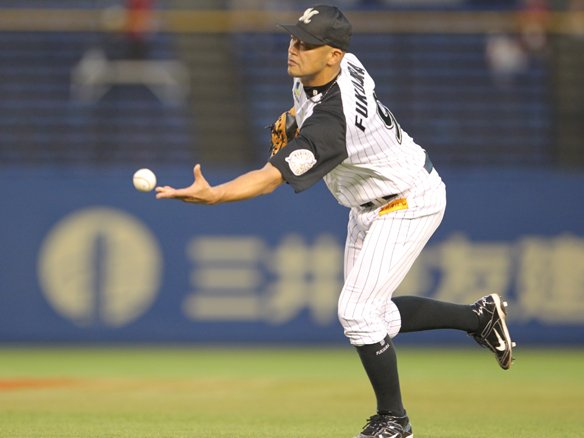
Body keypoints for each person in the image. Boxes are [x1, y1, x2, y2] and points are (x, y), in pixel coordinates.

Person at [156, 5, 515, 438]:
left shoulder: (334, 122)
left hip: (407, 200)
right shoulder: (332, 68)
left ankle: (394, 421)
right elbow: (308, 107)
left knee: (356, 312)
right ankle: (479, 318)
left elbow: (269, 179)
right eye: (294, 38)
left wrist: (215, 194)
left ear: (334, 55)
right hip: (371, 201)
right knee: (374, 317)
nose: (294, 48)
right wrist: (292, 121)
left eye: (307, 44)